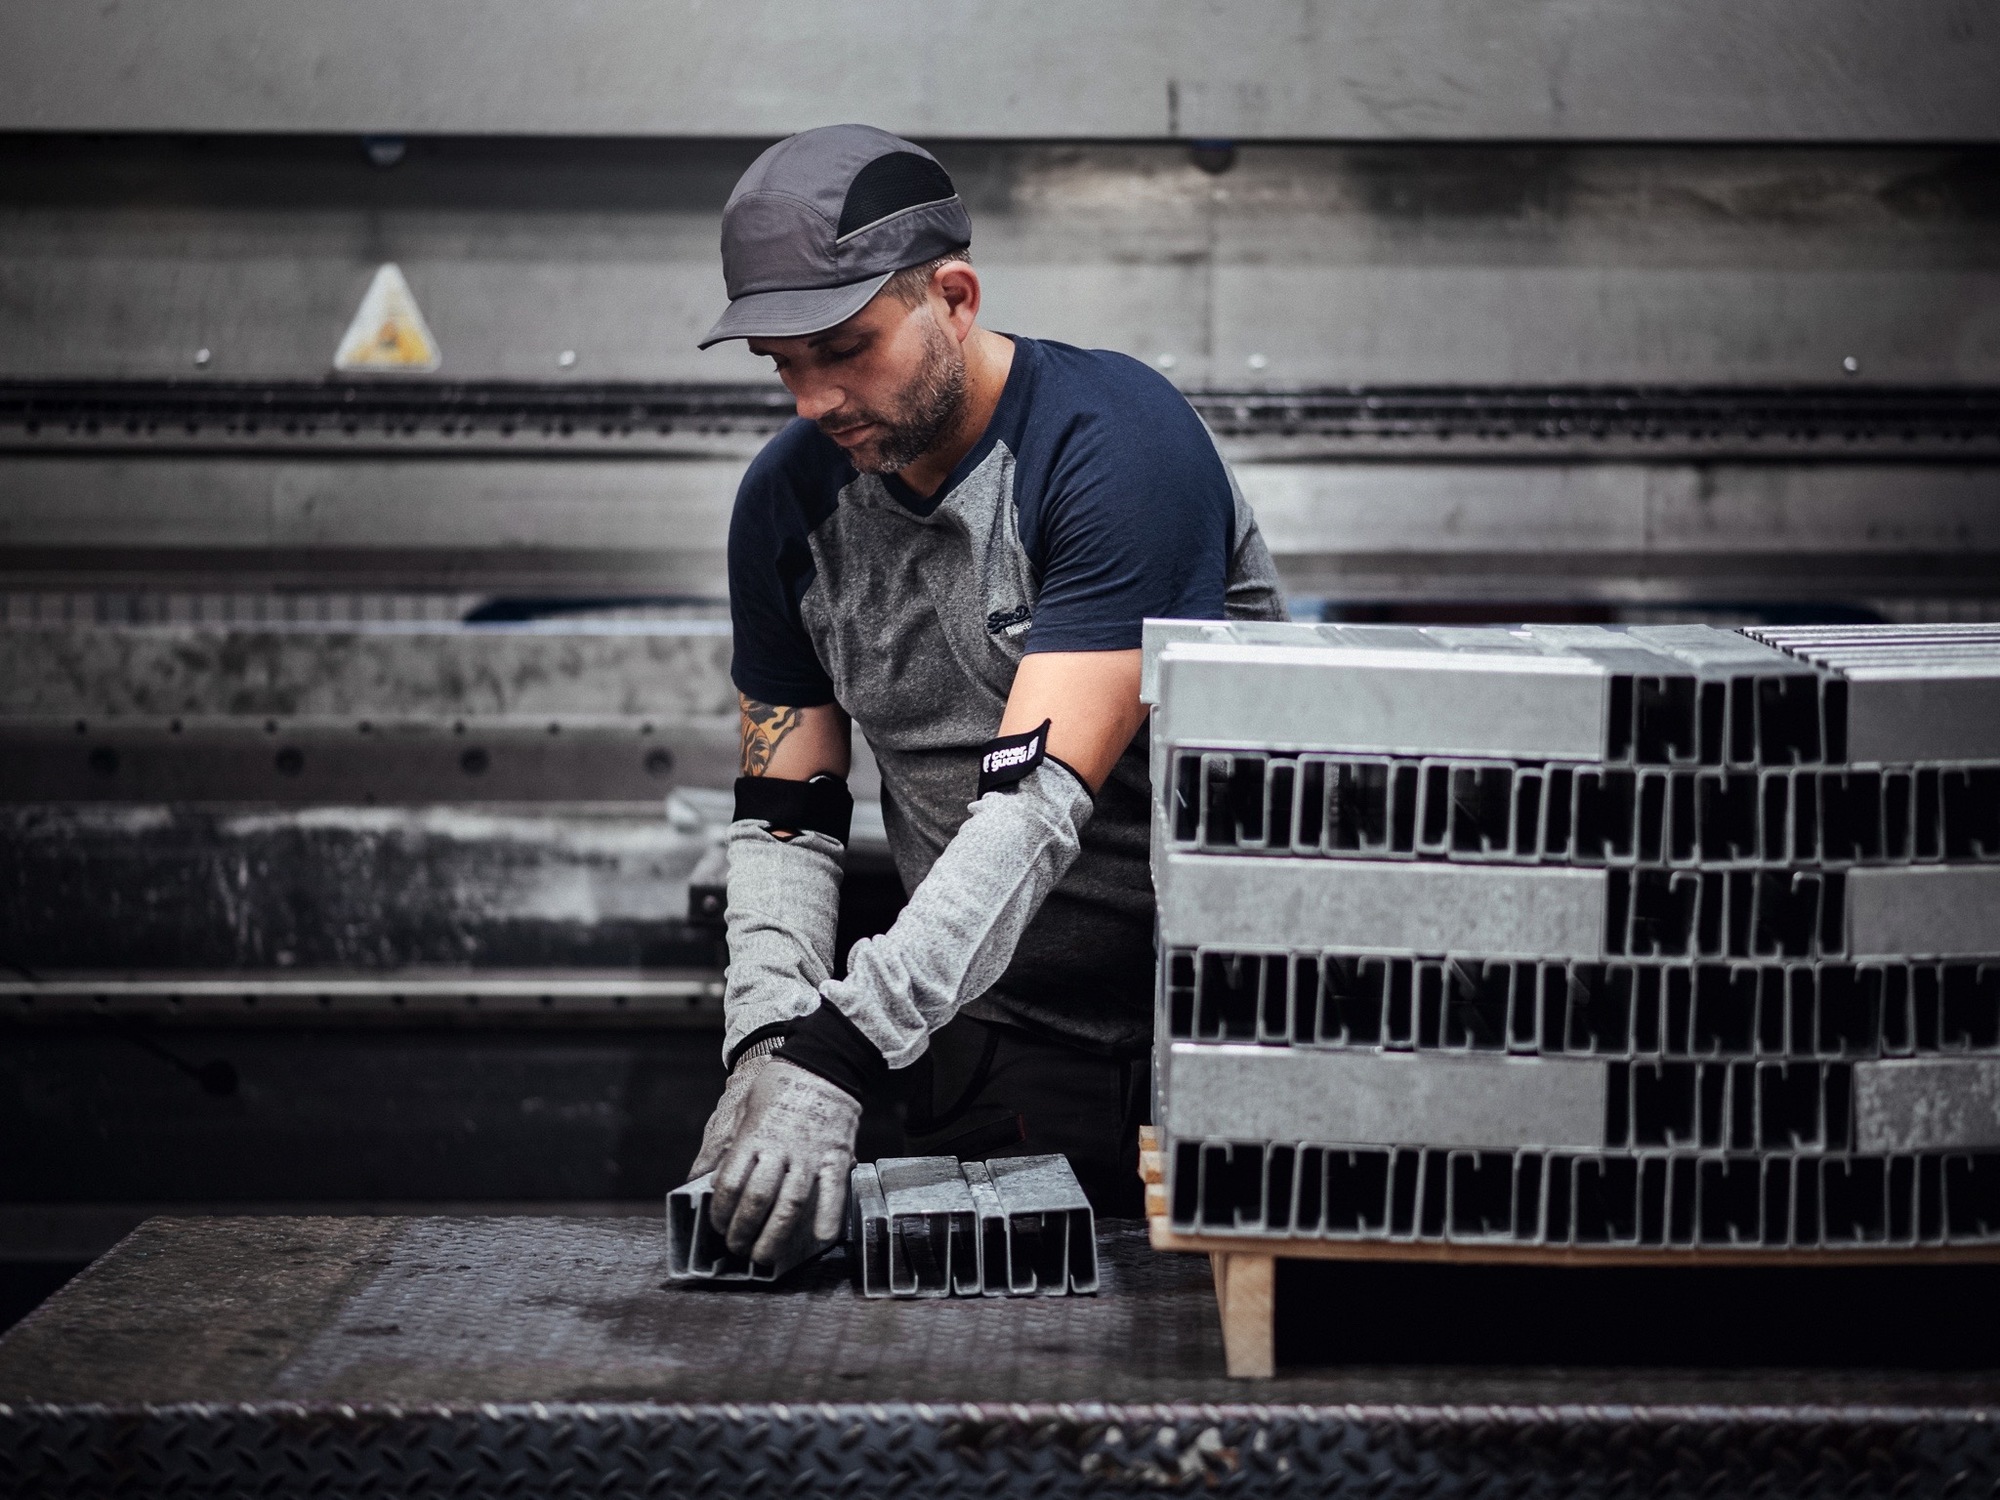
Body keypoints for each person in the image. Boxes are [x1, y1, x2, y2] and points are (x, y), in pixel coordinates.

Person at [689, 123, 1285, 1264]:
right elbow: (785, 817)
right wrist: (766, 1043)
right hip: (994, 1048)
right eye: (781, 363)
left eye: (845, 349)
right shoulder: (787, 511)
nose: (812, 399)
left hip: (1227, 1032)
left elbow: (1034, 800)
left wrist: (842, 1049)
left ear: (953, 298)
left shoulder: (1115, 448)